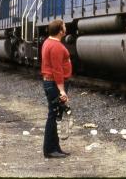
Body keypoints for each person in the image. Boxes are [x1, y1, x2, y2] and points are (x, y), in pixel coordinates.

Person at [41, 19, 72, 158]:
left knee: (55, 114)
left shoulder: (48, 42)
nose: (66, 28)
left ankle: (55, 148)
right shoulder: (56, 46)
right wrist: (62, 90)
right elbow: (57, 70)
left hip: (51, 83)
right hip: (54, 84)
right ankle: (49, 150)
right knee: (53, 115)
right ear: (60, 31)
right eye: (64, 26)